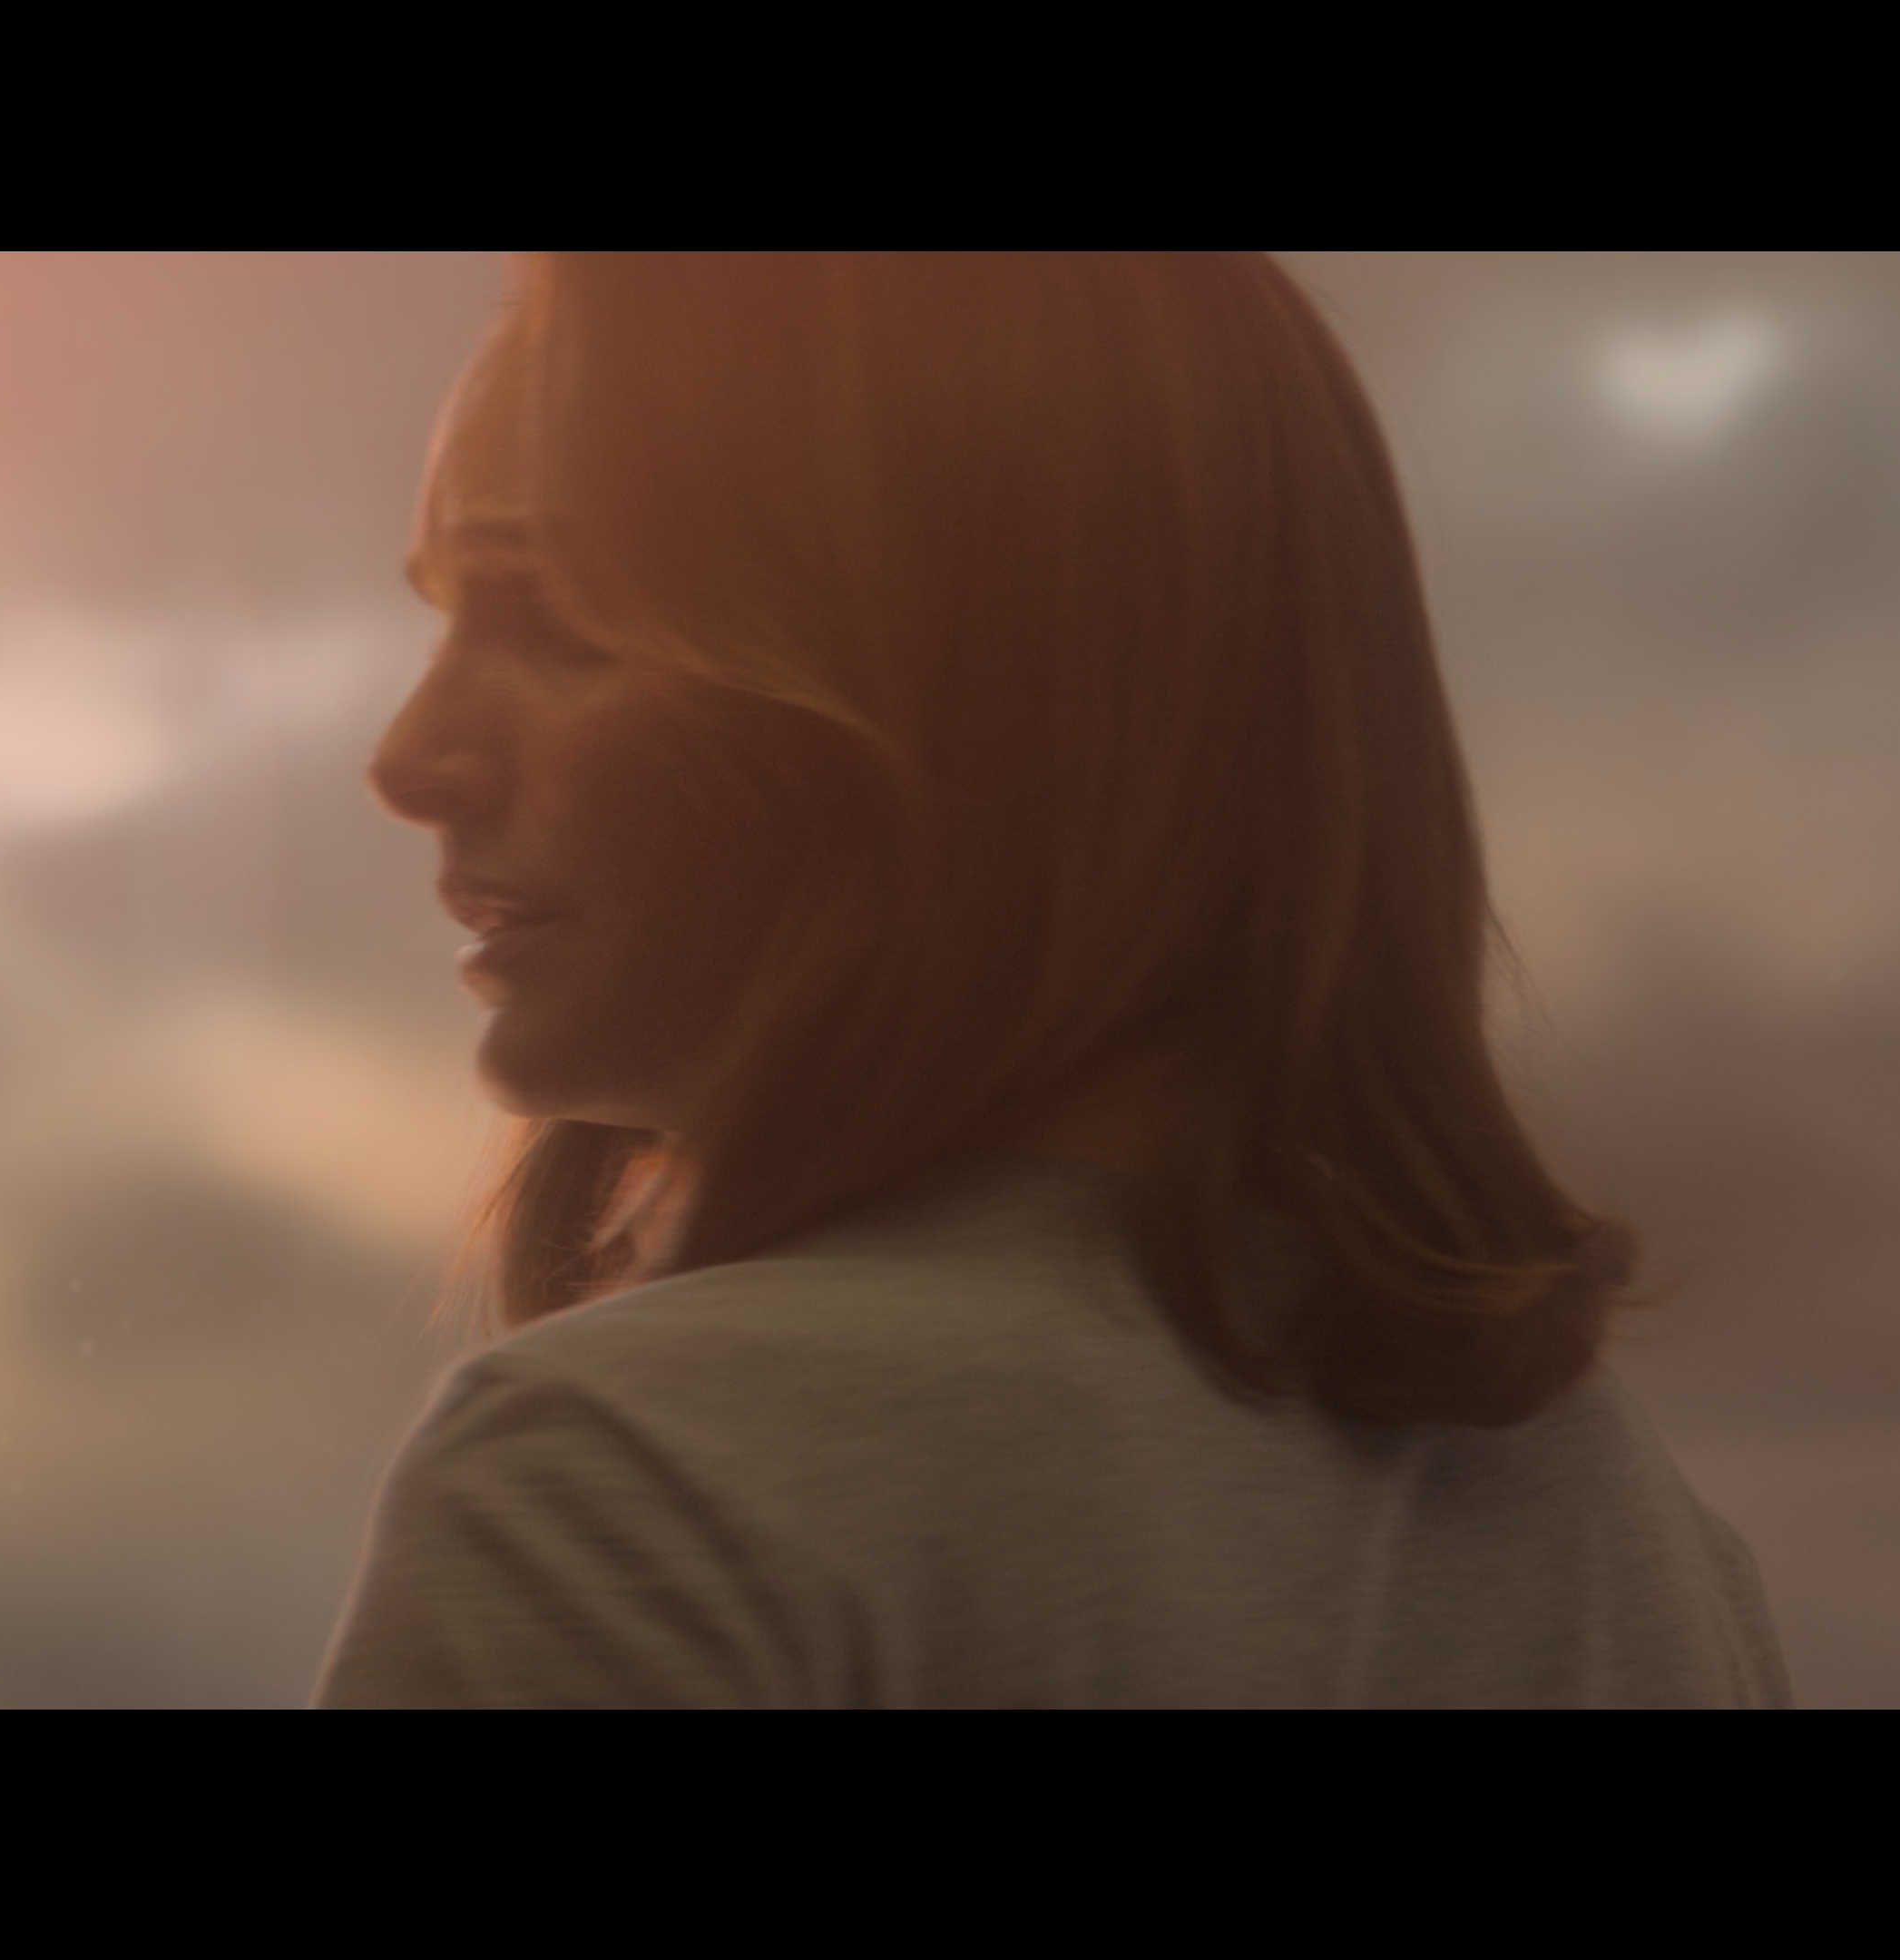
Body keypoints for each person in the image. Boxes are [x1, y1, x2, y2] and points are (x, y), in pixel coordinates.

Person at [318, 252, 1788, 1707]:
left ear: (981, 678)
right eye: (448, 619)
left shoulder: (620, 1497)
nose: (410, 758)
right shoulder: (1623, 1537)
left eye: (563, 620)